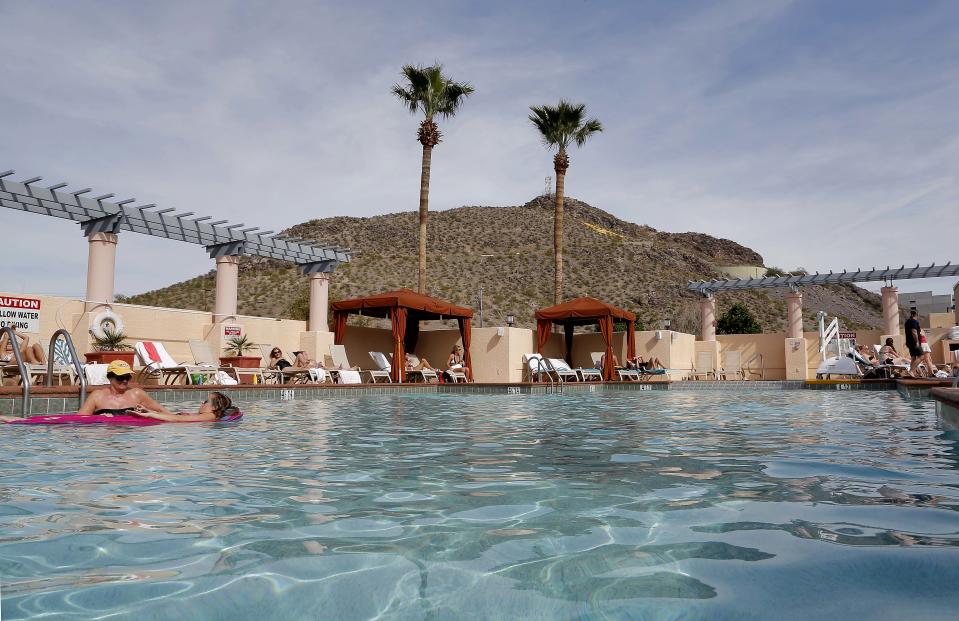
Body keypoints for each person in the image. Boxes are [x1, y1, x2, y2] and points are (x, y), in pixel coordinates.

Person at [76, 360, 175, 417]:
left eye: (127, 377)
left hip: (131, 439)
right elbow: (80, 419)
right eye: (120, 377)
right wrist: (98, 419)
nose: (124, 381)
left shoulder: (136, 394)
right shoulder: (97, 396)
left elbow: (164, 413)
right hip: (106, 441)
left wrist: (149, 413)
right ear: (110, 377)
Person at [133, 391, 239, 422]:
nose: (202, 403)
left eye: (206, 401)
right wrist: (149, 411)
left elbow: (179, 419)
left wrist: (150, 414)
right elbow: (175, 416)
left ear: (215, 407)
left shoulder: (210, 416)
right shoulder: (205, 415)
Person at [904, 310, 923, 377]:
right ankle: (911, 371)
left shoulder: (907, 322)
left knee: (913, 358)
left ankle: (912, 373)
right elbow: (914, 331)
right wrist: (917, 342)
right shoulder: (913, 321)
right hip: (914, 342)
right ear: (916, 315)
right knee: (921, 356)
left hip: (909, 342)